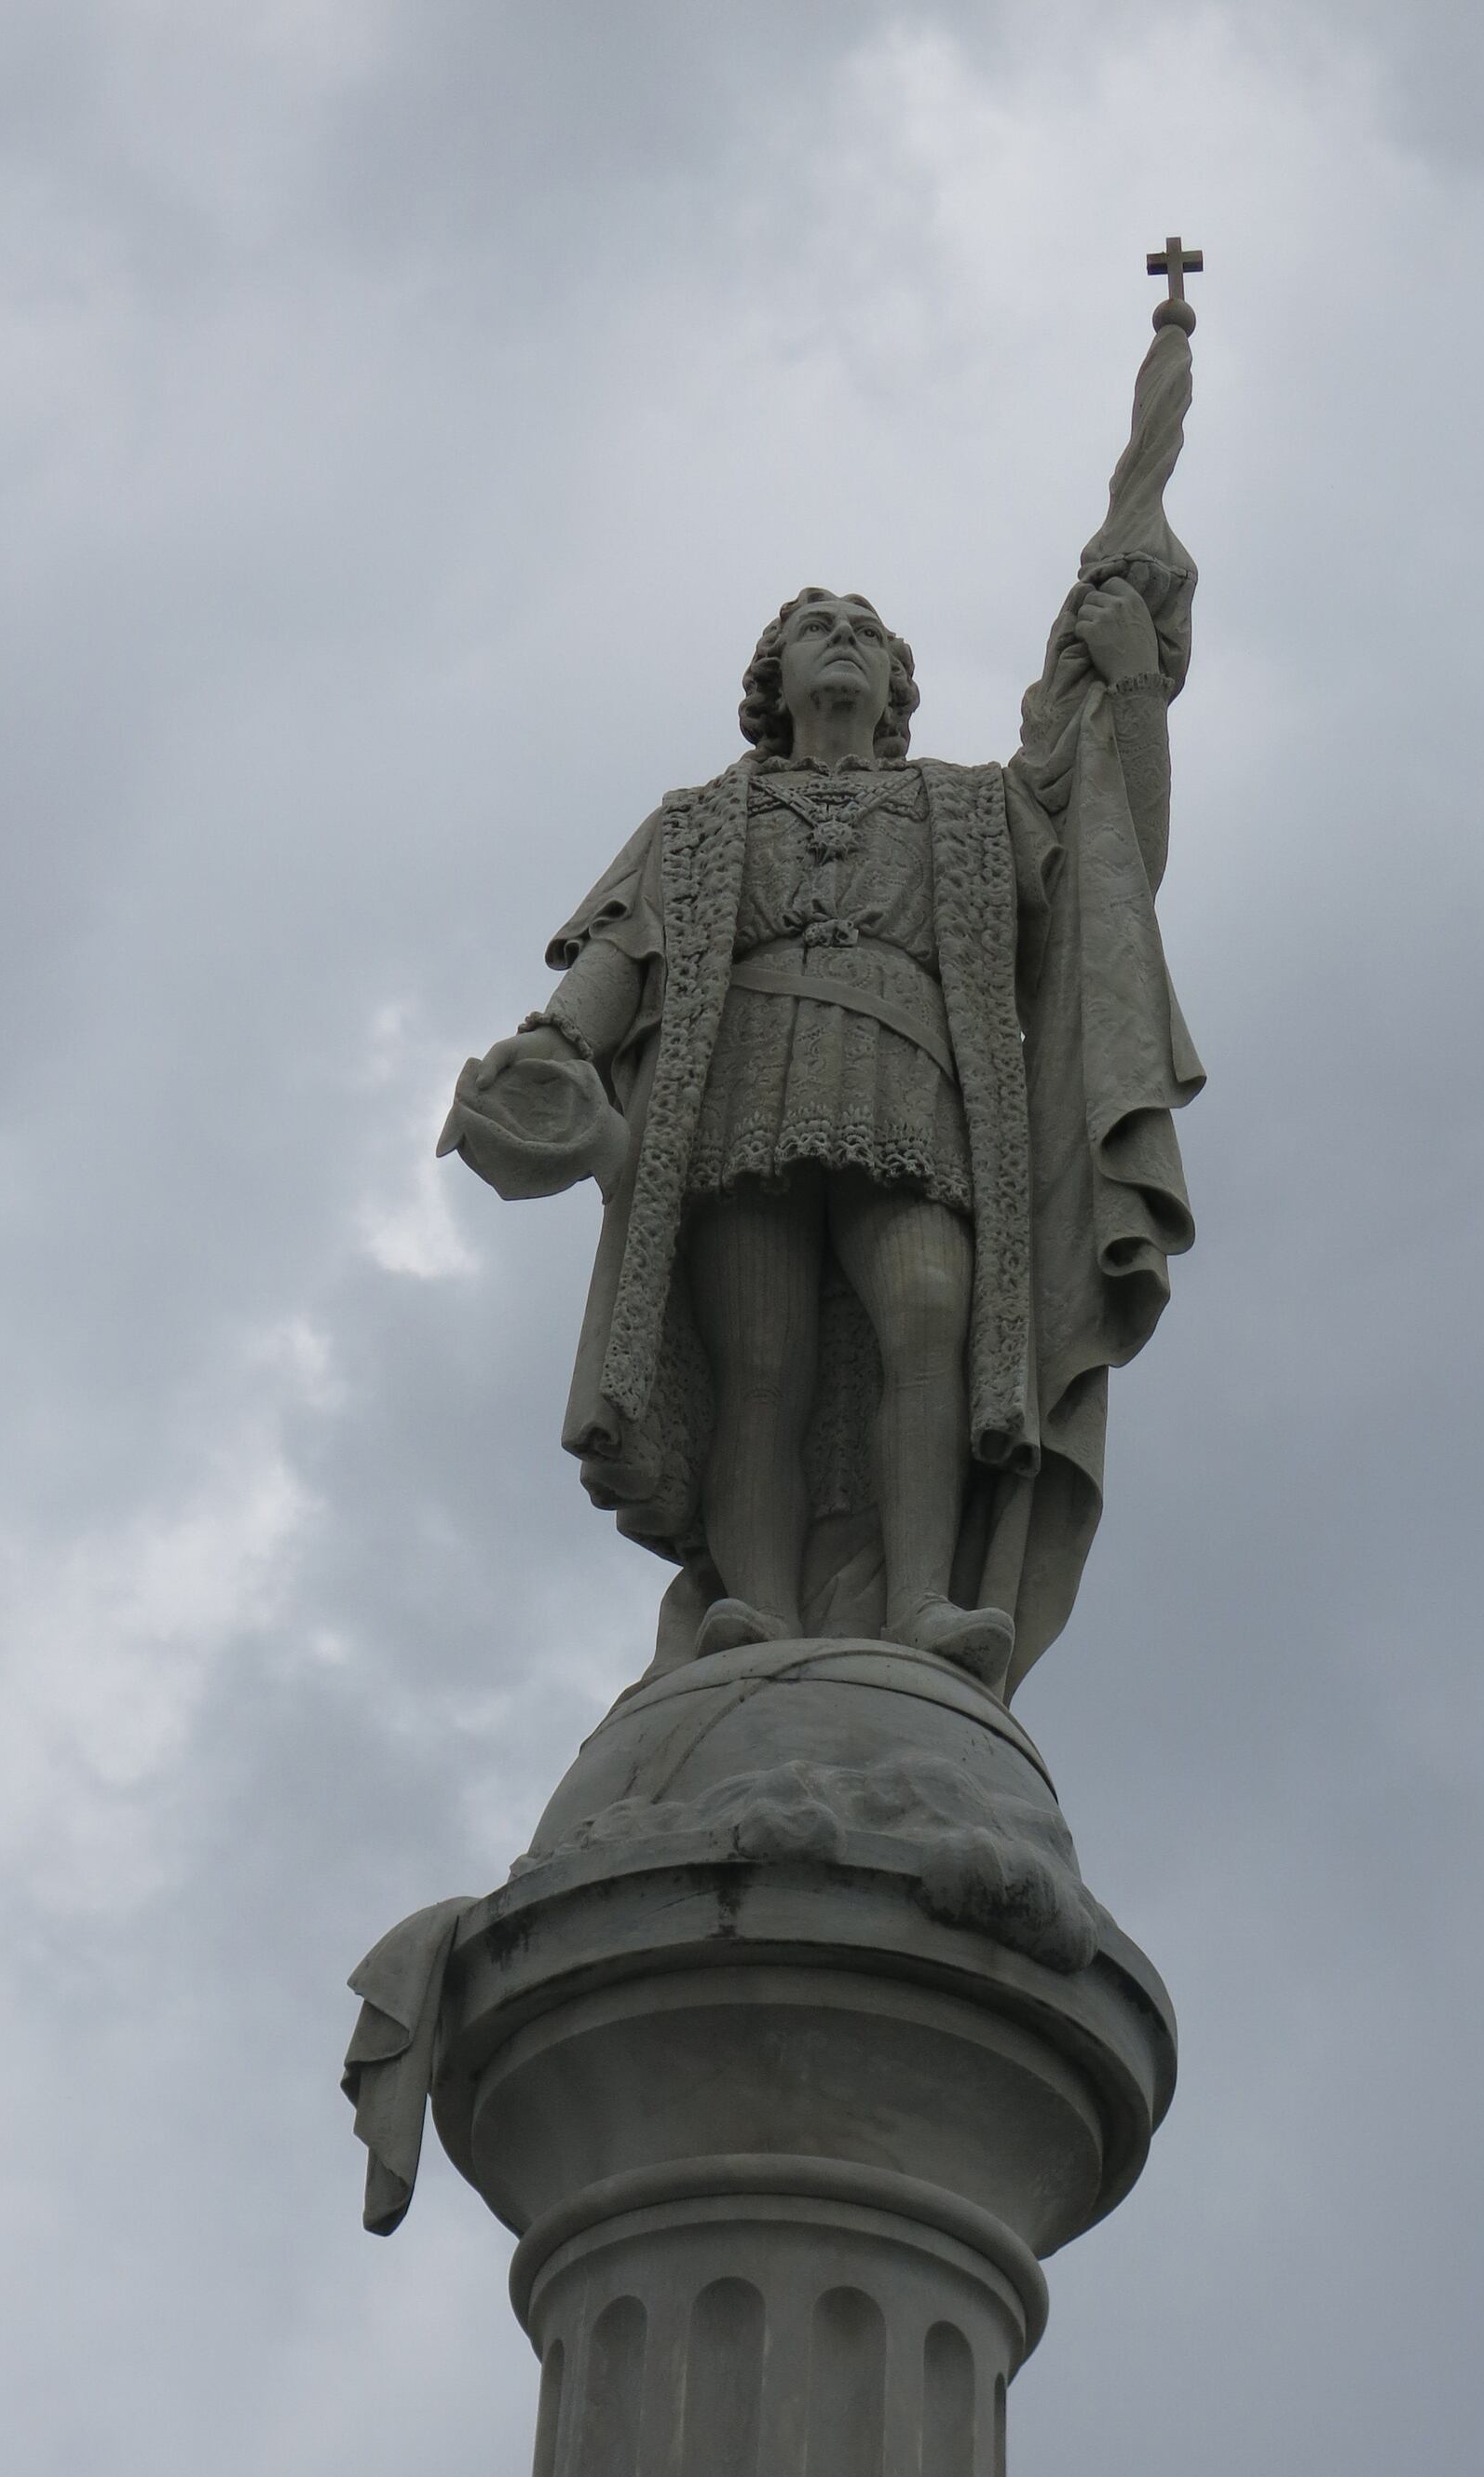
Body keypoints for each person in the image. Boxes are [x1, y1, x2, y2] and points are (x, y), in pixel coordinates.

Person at [441, 324, 1205, 1703]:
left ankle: (922, 1597)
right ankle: (758, 1604)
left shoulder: (971, 808)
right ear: (775, 682)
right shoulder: (704, 820)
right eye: (814, 628)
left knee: (927, 1312)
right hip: (744, 1097)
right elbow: (626, 952)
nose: (840, 640)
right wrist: (557, 1043)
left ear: (897, 687)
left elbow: (1108, 860)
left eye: (863, 630)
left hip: (919, 1090)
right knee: (766, 1354)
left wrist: (1130, 678)